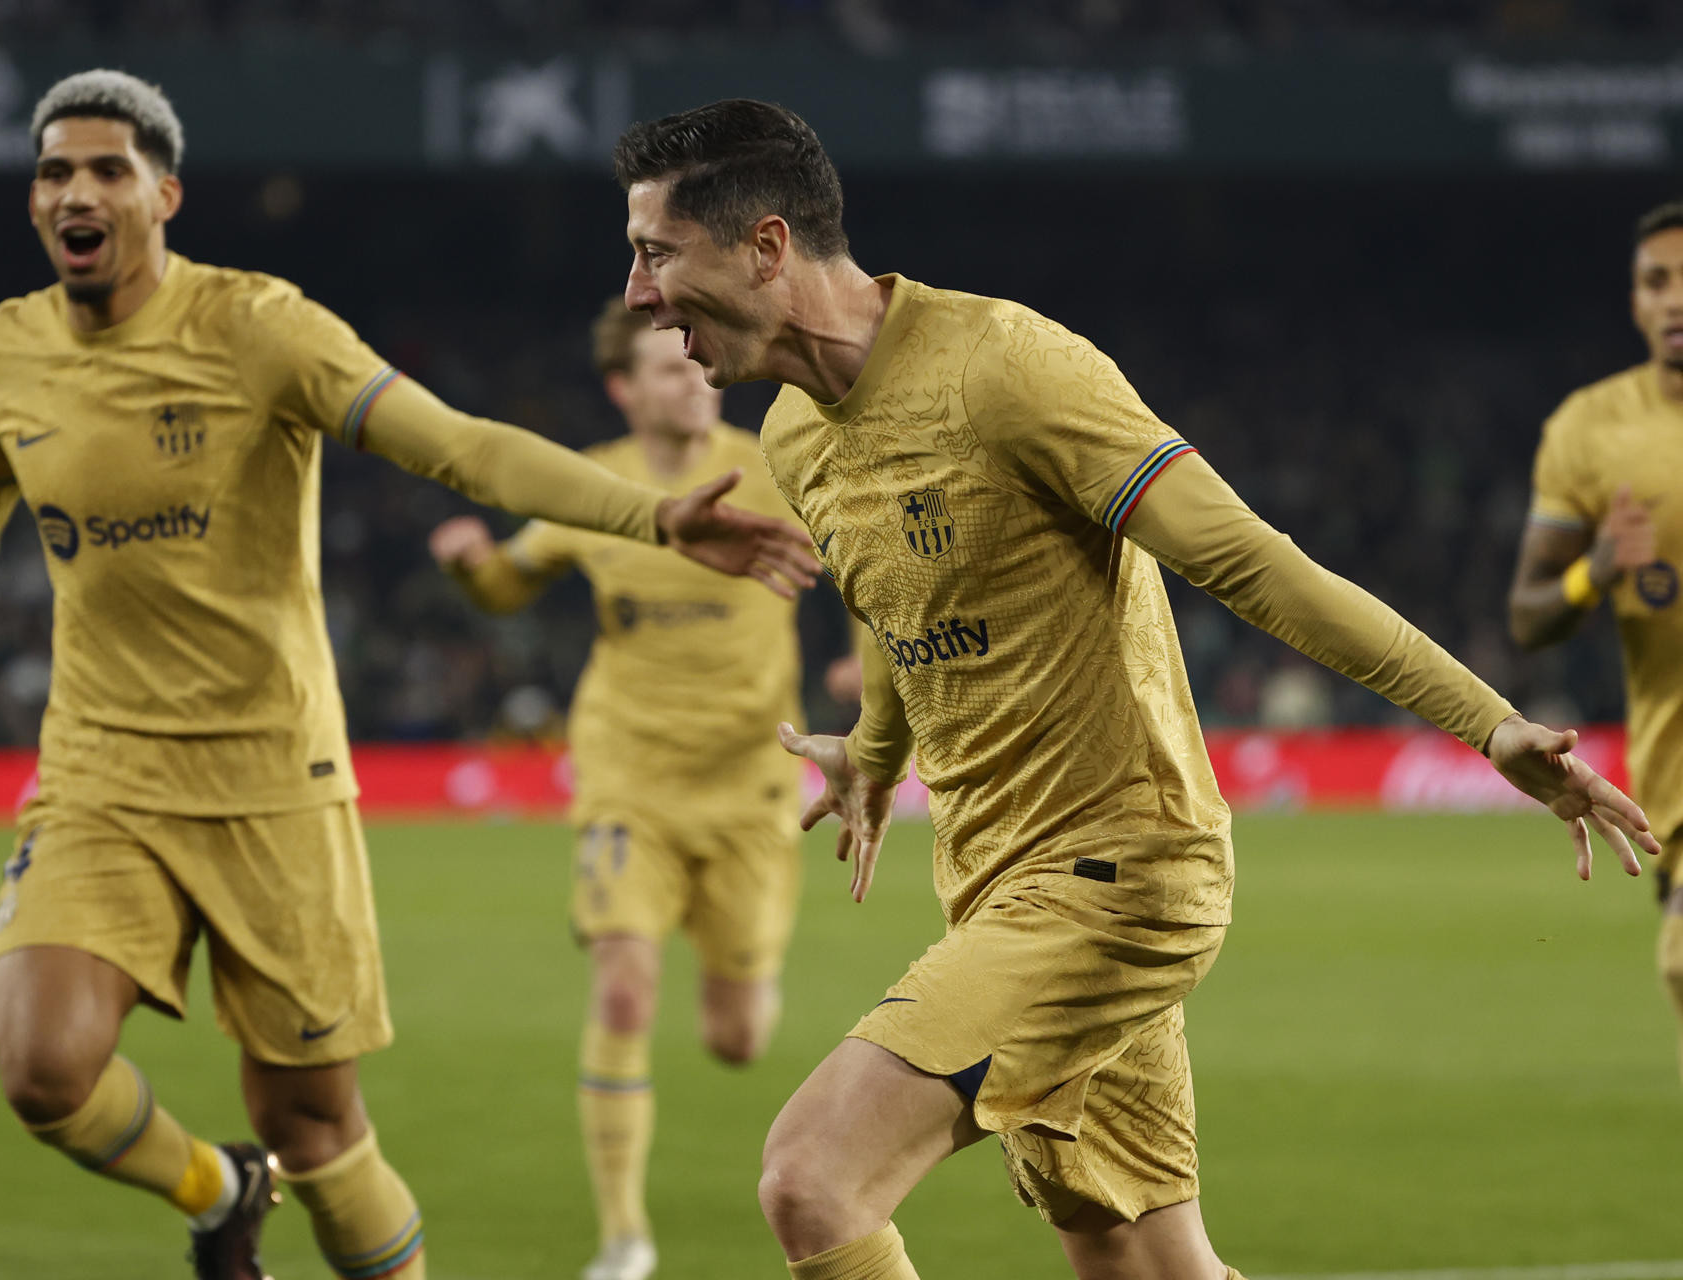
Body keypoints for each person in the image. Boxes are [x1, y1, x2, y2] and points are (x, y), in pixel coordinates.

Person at [0, 71, 813, 1280]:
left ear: (163, 193)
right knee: (42, 1068)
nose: (76, 190)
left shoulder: (260, 326)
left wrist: (651, 515)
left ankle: (267, 1178)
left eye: (107, 169)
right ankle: (217, 1192)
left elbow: (461, 446)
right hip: (99, 776)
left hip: (275, 781)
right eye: (53, 171)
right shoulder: (2, 356)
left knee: (313, 1123)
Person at [612, 98, 1660, 1280]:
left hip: (1117, 877)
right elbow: (889, 597)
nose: (639, 293)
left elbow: (1256, 563)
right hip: (996, 881)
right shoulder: (797, 435)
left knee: (813, 1177)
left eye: (655, 252)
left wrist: (1491, 721)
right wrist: (874, 745)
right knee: (1139, 1256)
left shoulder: (1008, 369)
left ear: (763, 246)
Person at [428, 297, 808, 1280]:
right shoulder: (593, 485)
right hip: (627, 779)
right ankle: (625, 1236)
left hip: (750, 788)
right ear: (623, 388)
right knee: (625, 980)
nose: (690, 375)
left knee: (736, 1037)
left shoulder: (777, 466)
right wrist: (473, 569)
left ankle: (741, 980)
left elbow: (863, 569)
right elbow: (511, 582)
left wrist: (864, 672)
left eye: (695, 361)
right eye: (665, 366)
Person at [1509, 199, 1683, 1078]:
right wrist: (1596, 570)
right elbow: (1530, 614)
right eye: (1659, 281)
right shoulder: (1591, 429)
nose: (1677, 300)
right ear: (1635, 302)